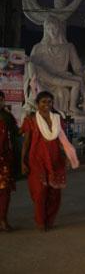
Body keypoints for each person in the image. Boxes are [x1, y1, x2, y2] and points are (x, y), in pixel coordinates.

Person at [21, 91, 79, 231]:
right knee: (40, 192)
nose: (46, 105)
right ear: (37, 104)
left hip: (55, 160)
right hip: (37, 160)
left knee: (55, 193)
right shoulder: (31, 120)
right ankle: (40, 221)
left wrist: (66, 156)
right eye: (43, 102)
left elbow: (62, 140)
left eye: (49, 102)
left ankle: (50, 219)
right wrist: (22, 161)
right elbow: (26, 143)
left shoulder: (57, 119)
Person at [0, 91, 18, 231]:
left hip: (4, 160)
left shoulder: (8, 117)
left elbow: (16, 136)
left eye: (1, 99)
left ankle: (3, 219)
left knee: (4, 192)